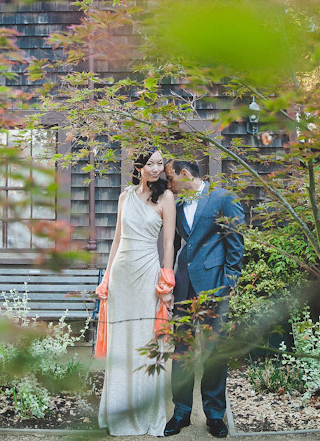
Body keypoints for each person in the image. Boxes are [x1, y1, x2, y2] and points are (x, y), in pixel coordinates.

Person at [96, 150, 177, 436]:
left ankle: (145, 414)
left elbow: (168, 245)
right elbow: (116, 240)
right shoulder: (124, 196)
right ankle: (118, 413)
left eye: (160, 164)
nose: (157, 169)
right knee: (121, 342)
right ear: (140, 167)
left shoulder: (166, 198)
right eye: (151, 164)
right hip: (121, 275)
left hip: (147, 274)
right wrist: (106, 279)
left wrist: (166, 285)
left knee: (145, 343)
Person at [163, 159, 245, 439]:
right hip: (184, 286)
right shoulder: (175, 206)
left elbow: (235, 243)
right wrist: (168, 283)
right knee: (181, 352)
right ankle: (181, 412)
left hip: (214, 286)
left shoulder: (223, 198)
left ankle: (214, 414)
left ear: (184, 174)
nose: (169, 185)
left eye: (171, 179)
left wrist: (229, 284)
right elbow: (172, 247)